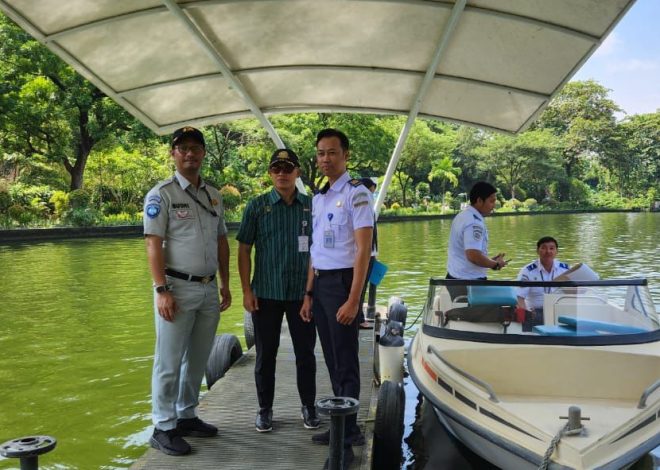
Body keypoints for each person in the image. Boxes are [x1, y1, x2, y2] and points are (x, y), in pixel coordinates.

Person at [143, 126, 231, 456]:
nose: (190, 153)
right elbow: (153, 244)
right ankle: (163, 426)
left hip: (208, 288)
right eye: (183, 149)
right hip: (176, 288)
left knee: (197, 358)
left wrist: (226, 283)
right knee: (168, 361)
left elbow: (221, 241)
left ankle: (186, 414)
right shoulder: (161, 194)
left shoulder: (213, 194)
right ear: (173, 154)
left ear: (204, 153)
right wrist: (161, 289)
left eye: (196, 148)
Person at [300, 129, 373, 463]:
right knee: (332, 359)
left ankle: (344, 447)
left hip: (346, 283)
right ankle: (347, 425)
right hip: (323, 285)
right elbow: (315, 250)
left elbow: (362, 250)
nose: (325, 159)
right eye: (320, 153)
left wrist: (354, 300)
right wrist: (309, 293)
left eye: (332, 153)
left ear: (346, 155)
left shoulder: (357, 194)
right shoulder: (320, 196)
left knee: (346, 363)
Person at [236, 148, 319, 433]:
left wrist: (310, 294)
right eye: (277, 168)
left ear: (297, 172)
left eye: (288, 168)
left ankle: (309, 406)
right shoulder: (257, 206)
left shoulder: (312, 207)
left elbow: (317, 254)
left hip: (301, 295)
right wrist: (246, 291)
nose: (282, 173)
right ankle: (264, 409)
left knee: (306, 354)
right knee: (265, 355)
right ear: (270, 173)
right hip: (266, 294)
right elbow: (244, 250)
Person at [446, 181, 508, 299]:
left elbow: (469, 253)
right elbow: (473, 255)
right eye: (491, 201)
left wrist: (488, 260)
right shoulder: (474, 223)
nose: (494, 205)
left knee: (463, 316)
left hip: (456, 279)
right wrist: (495, 264)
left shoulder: (462, 216)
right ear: (479, 201)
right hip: (469, 283)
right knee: (478, 316)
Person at [516, 236, 570, 314]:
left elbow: (574, 292)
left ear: (556, 251)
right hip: (535, 312)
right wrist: (526, 314)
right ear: (537, 251)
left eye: (551, 248)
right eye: (544, 248)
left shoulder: (565, 270)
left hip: (559, 310)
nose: (548, 251)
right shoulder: (527, 271)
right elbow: (519, 297)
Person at [357, 177, 378, 329]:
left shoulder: (368, 204)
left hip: (370, 252)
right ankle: (359, 318)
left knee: (362, 286)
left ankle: (359, 316)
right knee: (361, 287)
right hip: (366, 254)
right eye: (372, 189)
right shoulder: (364, 202)